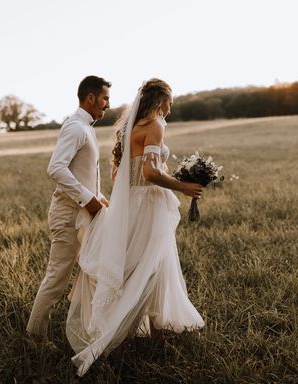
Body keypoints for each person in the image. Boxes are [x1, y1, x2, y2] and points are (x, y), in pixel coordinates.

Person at [66, 78, 205, 376]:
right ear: (159, 101)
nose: (171, 108)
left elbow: (123, 175)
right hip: (149, 205)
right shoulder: (155, 124)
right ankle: (138, 330)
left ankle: (155, 331)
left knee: (148, 263)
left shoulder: (130, 127)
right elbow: (150, 171)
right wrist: (183, 186)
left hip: (131, 204)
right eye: (170, 102)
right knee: (150, 264)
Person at [26, 75, 111, 344]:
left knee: (95, 271)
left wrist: (100, 198)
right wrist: (89, 199)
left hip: (84, 212)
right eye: (105, 98)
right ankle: (34, 336)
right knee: (57, 278)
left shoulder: (87, 127)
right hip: (67, 214)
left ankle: (95, 331)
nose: (108, 104)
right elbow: (56, 169)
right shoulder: (75, 126)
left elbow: (82, 172)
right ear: (90, 98)